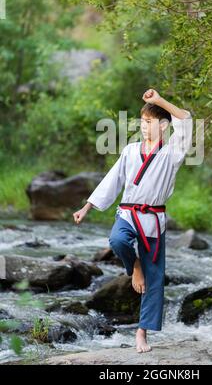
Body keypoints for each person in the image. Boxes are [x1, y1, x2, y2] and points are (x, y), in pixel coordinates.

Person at [73, 88, 193, 353]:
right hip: (128, 213)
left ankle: (142, 333)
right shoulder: (129, 150)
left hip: (153, 219)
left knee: (155, 279)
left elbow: (185, 120)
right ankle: (134, 266)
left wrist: (159, 101)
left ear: (163, 126)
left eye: (149, 122)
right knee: (117, 240)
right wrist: (87, 207)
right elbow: (112, 180)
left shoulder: (173, 153)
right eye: (142, 122)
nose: (144, 127)